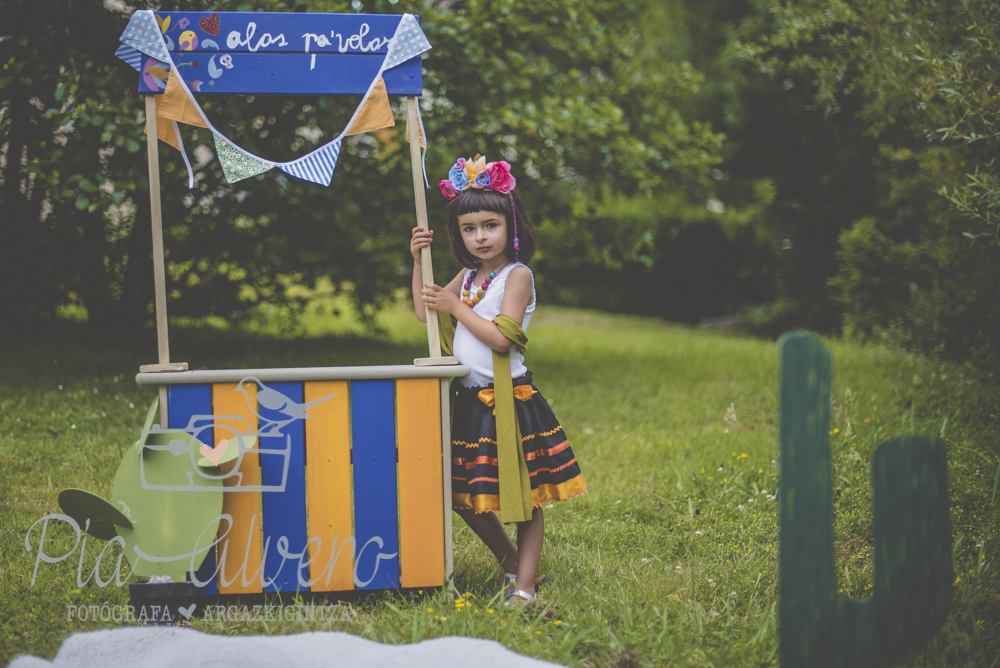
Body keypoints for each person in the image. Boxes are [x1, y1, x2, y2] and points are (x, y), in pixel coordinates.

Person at [409, 154, 588, 606]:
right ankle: (511, 560)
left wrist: (456, 306)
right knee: (463, 494)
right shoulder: (470, 275)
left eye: (490, 225)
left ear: (511, 225)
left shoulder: (517, 275)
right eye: (469, 229)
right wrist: (418, 263)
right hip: (469, 401)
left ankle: (524, 588)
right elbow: (426, 313)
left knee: (524, 496)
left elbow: (502, 339)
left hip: (508, 401)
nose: (481, 236)